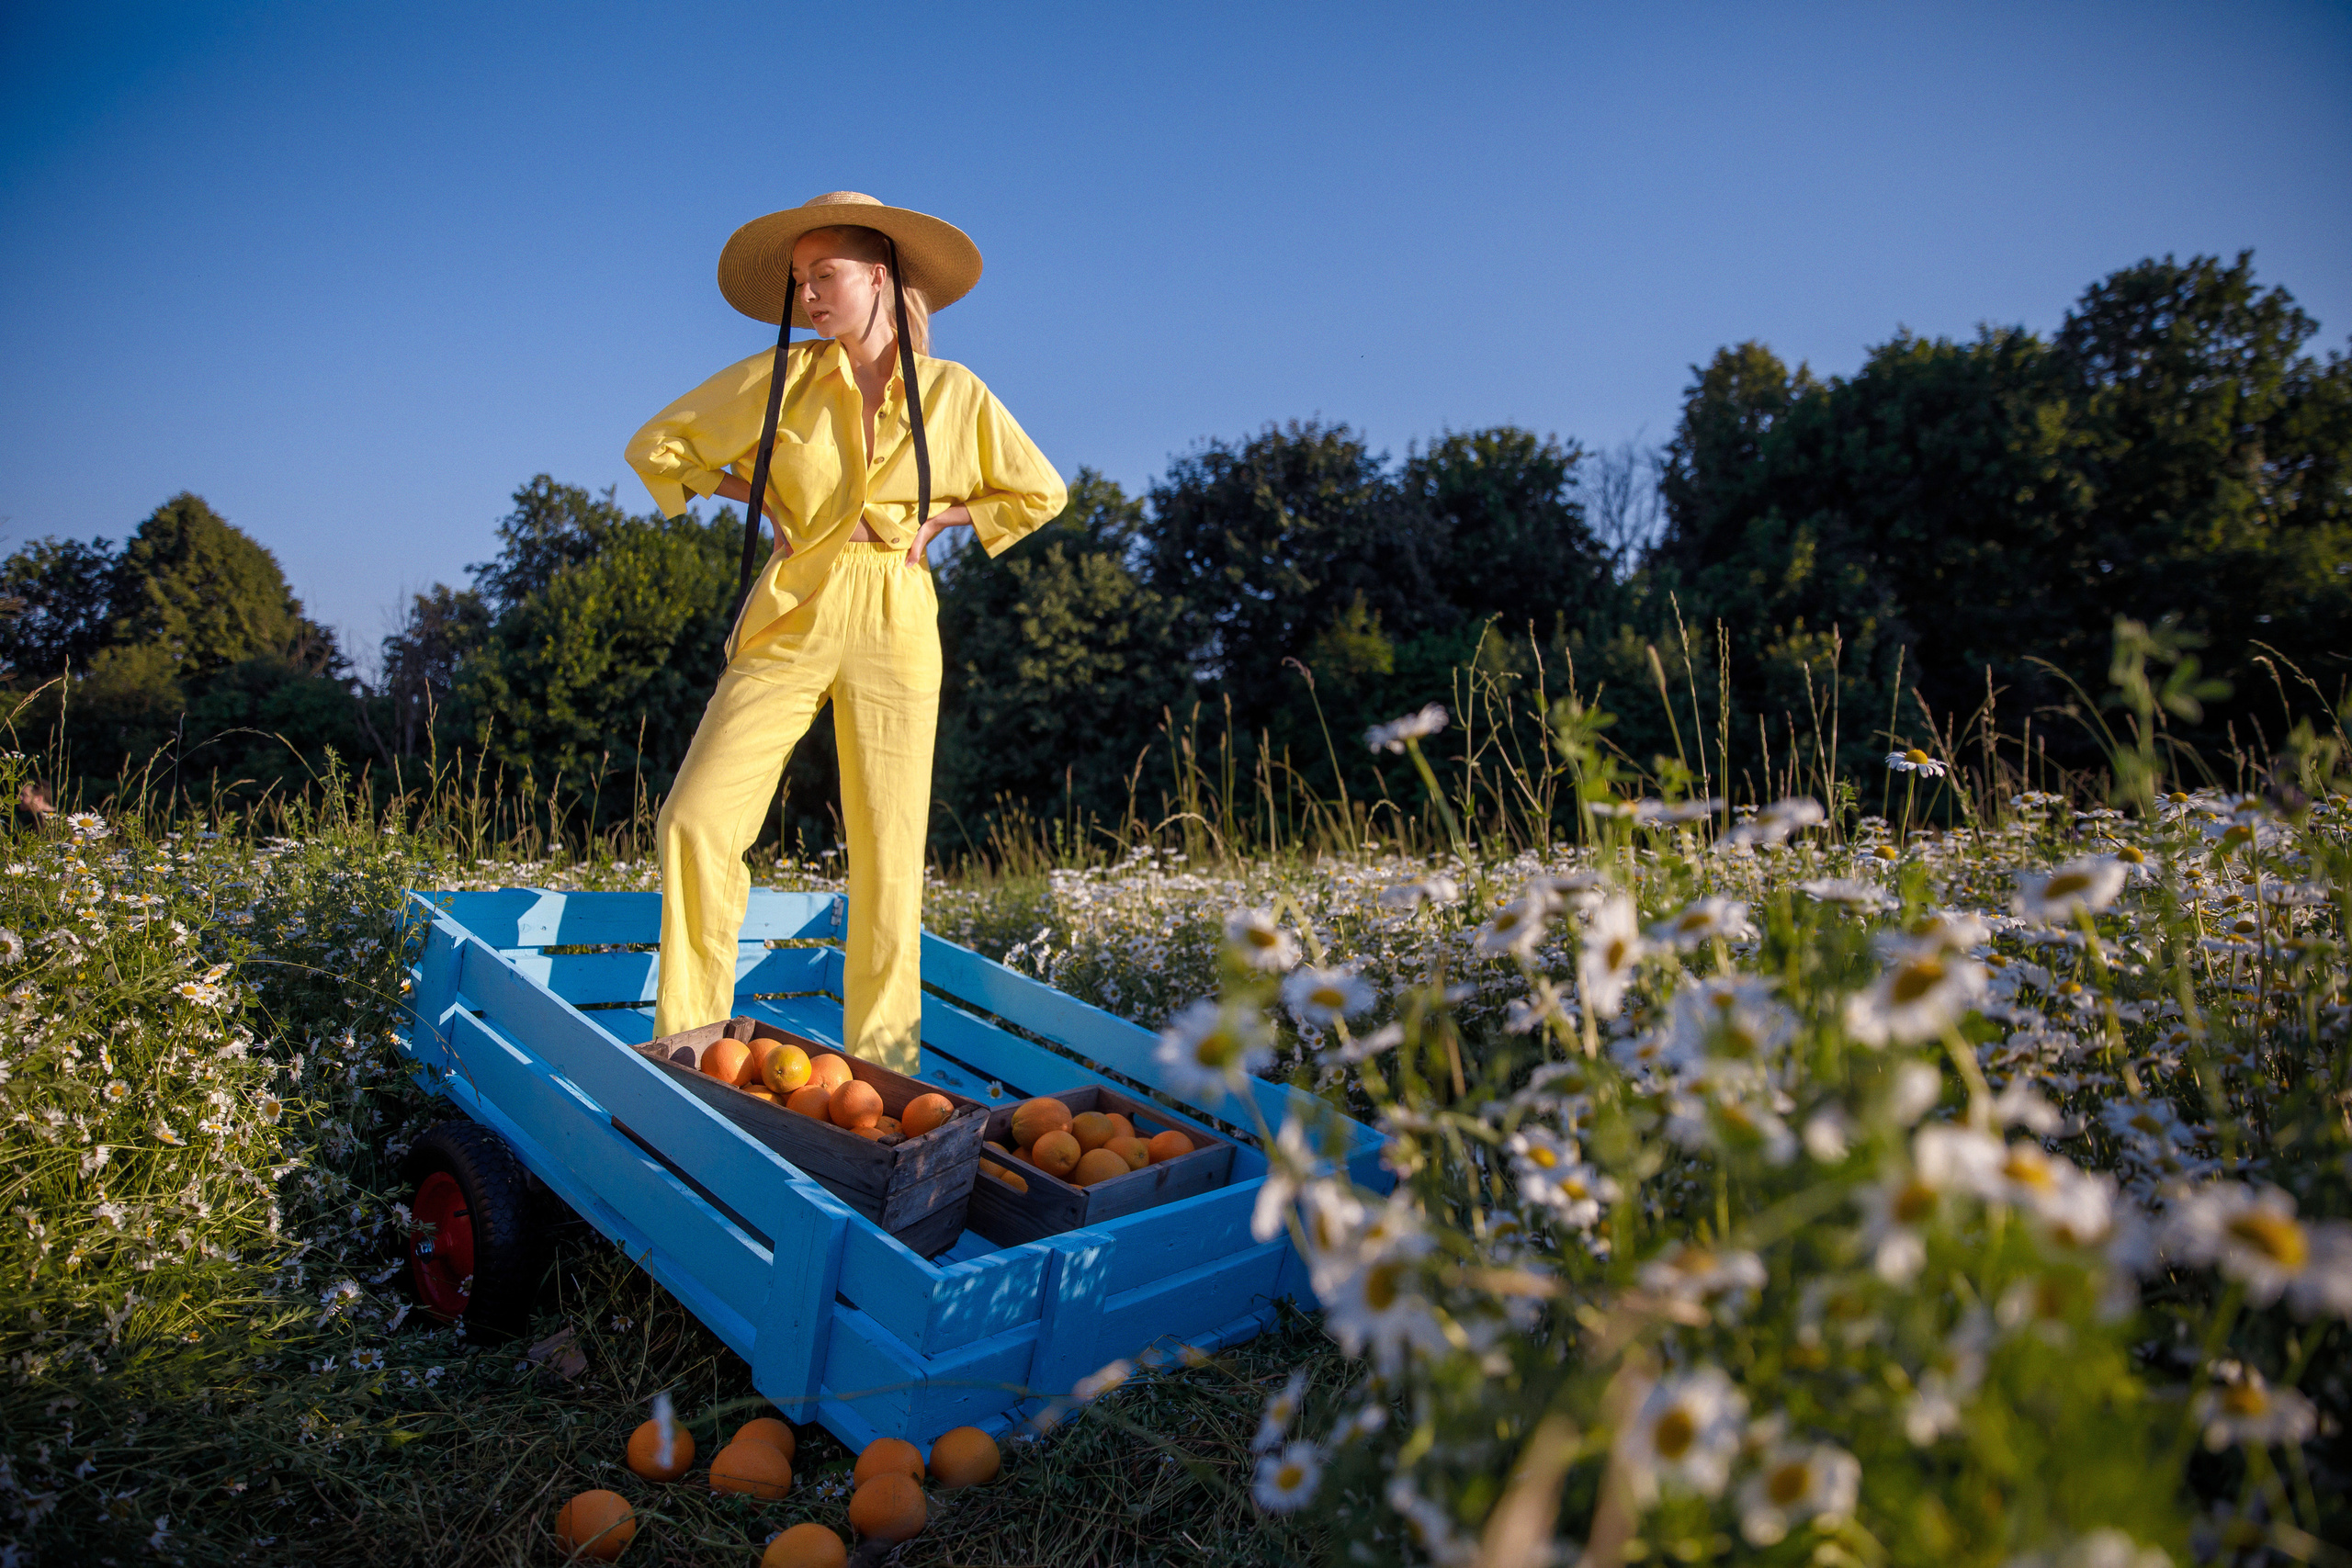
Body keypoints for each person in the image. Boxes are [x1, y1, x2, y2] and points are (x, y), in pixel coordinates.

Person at [625, 191, 1066, 1071]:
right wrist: (753, 500)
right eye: (800, 281)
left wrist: (943, 522)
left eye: (823, 275)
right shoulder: (777, 377)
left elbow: (1038, 490)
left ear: (878, 276)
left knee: (890, 851)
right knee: (695, 819)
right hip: (794, 604)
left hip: (897, 610)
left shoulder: (955, 392)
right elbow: (659, 446)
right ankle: (693, 1045)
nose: (810, 296)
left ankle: (884, 1073)